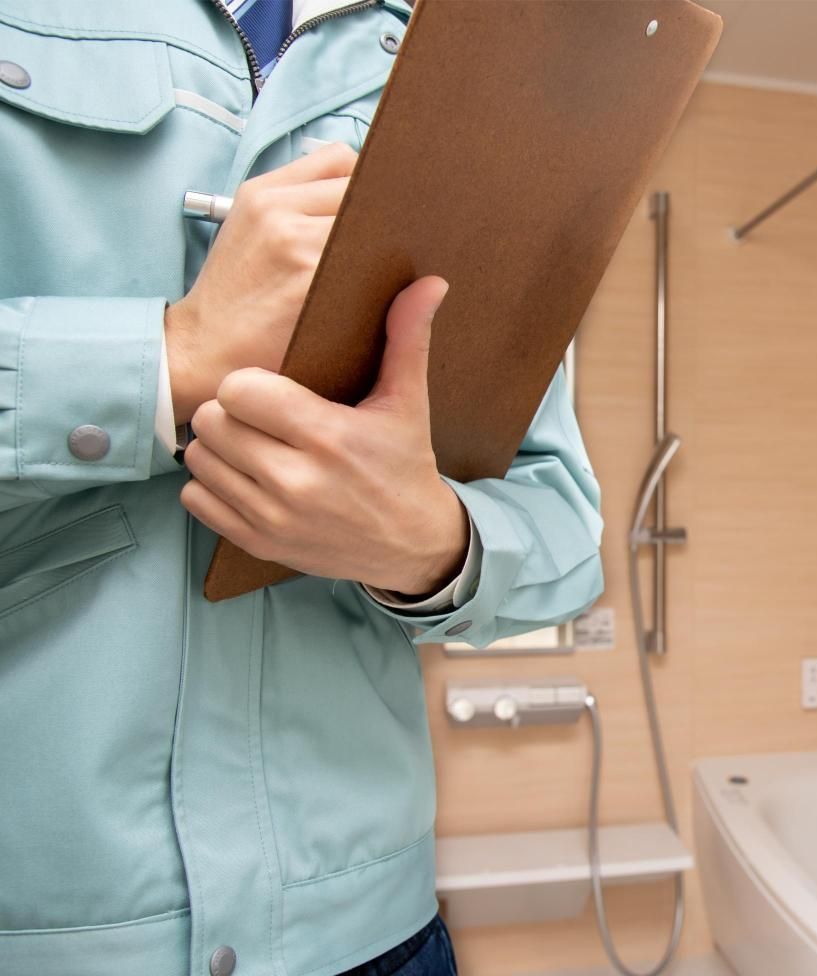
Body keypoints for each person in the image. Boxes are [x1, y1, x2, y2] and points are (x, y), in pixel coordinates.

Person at [0, 2, 604, 975]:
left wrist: (425, 542)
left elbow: (565, 531)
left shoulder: (470, 67)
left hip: (380, 932)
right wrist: (163, 363)